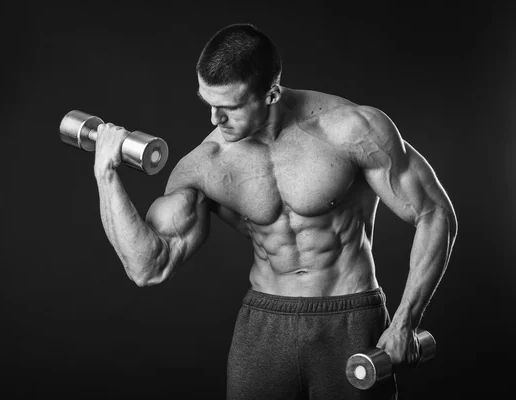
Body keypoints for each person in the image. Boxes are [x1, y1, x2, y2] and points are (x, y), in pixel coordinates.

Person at [92, 23, 458, 399]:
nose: (214, 120)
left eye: (230, 107)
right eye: (208, 104)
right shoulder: (207, 165)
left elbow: (434, 213)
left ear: (271, 94)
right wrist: (106, 174)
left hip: (349, 318)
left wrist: (405, 322)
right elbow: (148, 267)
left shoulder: (352, 130)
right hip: (265, 327)